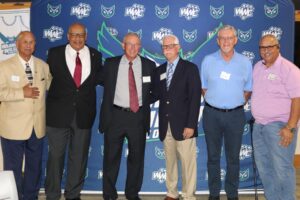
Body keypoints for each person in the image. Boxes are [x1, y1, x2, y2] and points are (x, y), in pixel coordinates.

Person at [44, 23, 102, 200]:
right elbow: (46, 80)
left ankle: (73, 194)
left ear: (86, 36)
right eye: (74, 35)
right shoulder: (54, 54)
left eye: (81, 35)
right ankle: (52, 194)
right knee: (55, 158)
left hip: (84, 115)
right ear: (68, 36)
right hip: (58, 115)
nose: (78, 38)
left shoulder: (95, 55)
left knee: (79, 158)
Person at [99, 32, 156, 200]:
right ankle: (109, 194)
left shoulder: (148, 66)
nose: (132, 47)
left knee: (136, 159)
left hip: (137, 117)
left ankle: (132, 193)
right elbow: (100, 82)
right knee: (111, 158)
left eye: (136, 44)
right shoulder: (110, 64)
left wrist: (142, 103)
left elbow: (154, 91)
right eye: (129, 44)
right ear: (123, 45)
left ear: (140, 47)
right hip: (115, 116)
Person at [200, 25, 252, 200]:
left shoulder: (245, 62)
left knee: (233, 159)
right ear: (217, 41)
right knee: (213, 158)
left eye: (230, 38)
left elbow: (248, 89)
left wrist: (234, 104)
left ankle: (232, 194)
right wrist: (217, 103)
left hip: (235, 116)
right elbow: (204, 87)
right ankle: (213, 194)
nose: (226, 41)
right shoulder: (208, 60)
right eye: (222, 38)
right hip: (212, 115)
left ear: (236, 40)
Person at [0, 31, 51, 200]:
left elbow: (51, 87)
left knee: (34, 167)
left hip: (37, 127)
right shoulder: (4, 66)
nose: (29, 45)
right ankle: (14, 196)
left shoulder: (43, 66)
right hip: (13, 128)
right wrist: (22, 92)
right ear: (17, 44)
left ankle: (30, 196)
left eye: (32, 42)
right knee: (12, 167)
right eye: (25, 42)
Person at [251, 34, 300, 200]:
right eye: (262, 48)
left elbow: (297, 99)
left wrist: (290, 127)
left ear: (278, 48)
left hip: (280, 127)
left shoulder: (289, 69)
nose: (266, 51)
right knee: (265, 169)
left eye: (270, 47)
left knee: (282, 169)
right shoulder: (257, 67)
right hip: (259, 126)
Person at [155, 35, 201, 200]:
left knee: (188, 164)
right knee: (170, 162)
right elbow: (155, 95)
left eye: (170, 46)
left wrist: (191, 125)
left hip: (184, 126)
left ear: (178, 47)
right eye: (164, 47)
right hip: (165, 125)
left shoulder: (190, 68)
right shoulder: (160, 70)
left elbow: (195, 99)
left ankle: (189, 195)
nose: (166, 49)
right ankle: (172, 193)